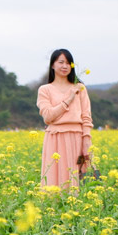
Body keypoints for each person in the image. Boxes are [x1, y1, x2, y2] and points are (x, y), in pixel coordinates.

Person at [36, 49, 93, 189]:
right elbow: (48, 116)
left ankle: (72, 207)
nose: (65, 66)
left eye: (68, 63)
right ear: (52, 65)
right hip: (54, 138)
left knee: (75, 177)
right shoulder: (45, 90)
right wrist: (68, 99)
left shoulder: (80, 88)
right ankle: (52, 207)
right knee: (53, 177)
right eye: (61, 62)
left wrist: (87, 141)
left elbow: (86, 117)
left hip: (76, 137)